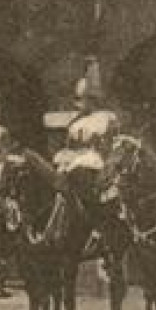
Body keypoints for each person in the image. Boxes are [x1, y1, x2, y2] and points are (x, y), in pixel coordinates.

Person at [54, 57, 120, 206]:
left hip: (100, 159)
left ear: (92, 100)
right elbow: (70, 145)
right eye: (77, 100)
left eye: (82, 100)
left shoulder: (105, 117)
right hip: (78, 157)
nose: (78, 104)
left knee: (82, 172)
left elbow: (111, 142)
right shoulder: (76, 122)